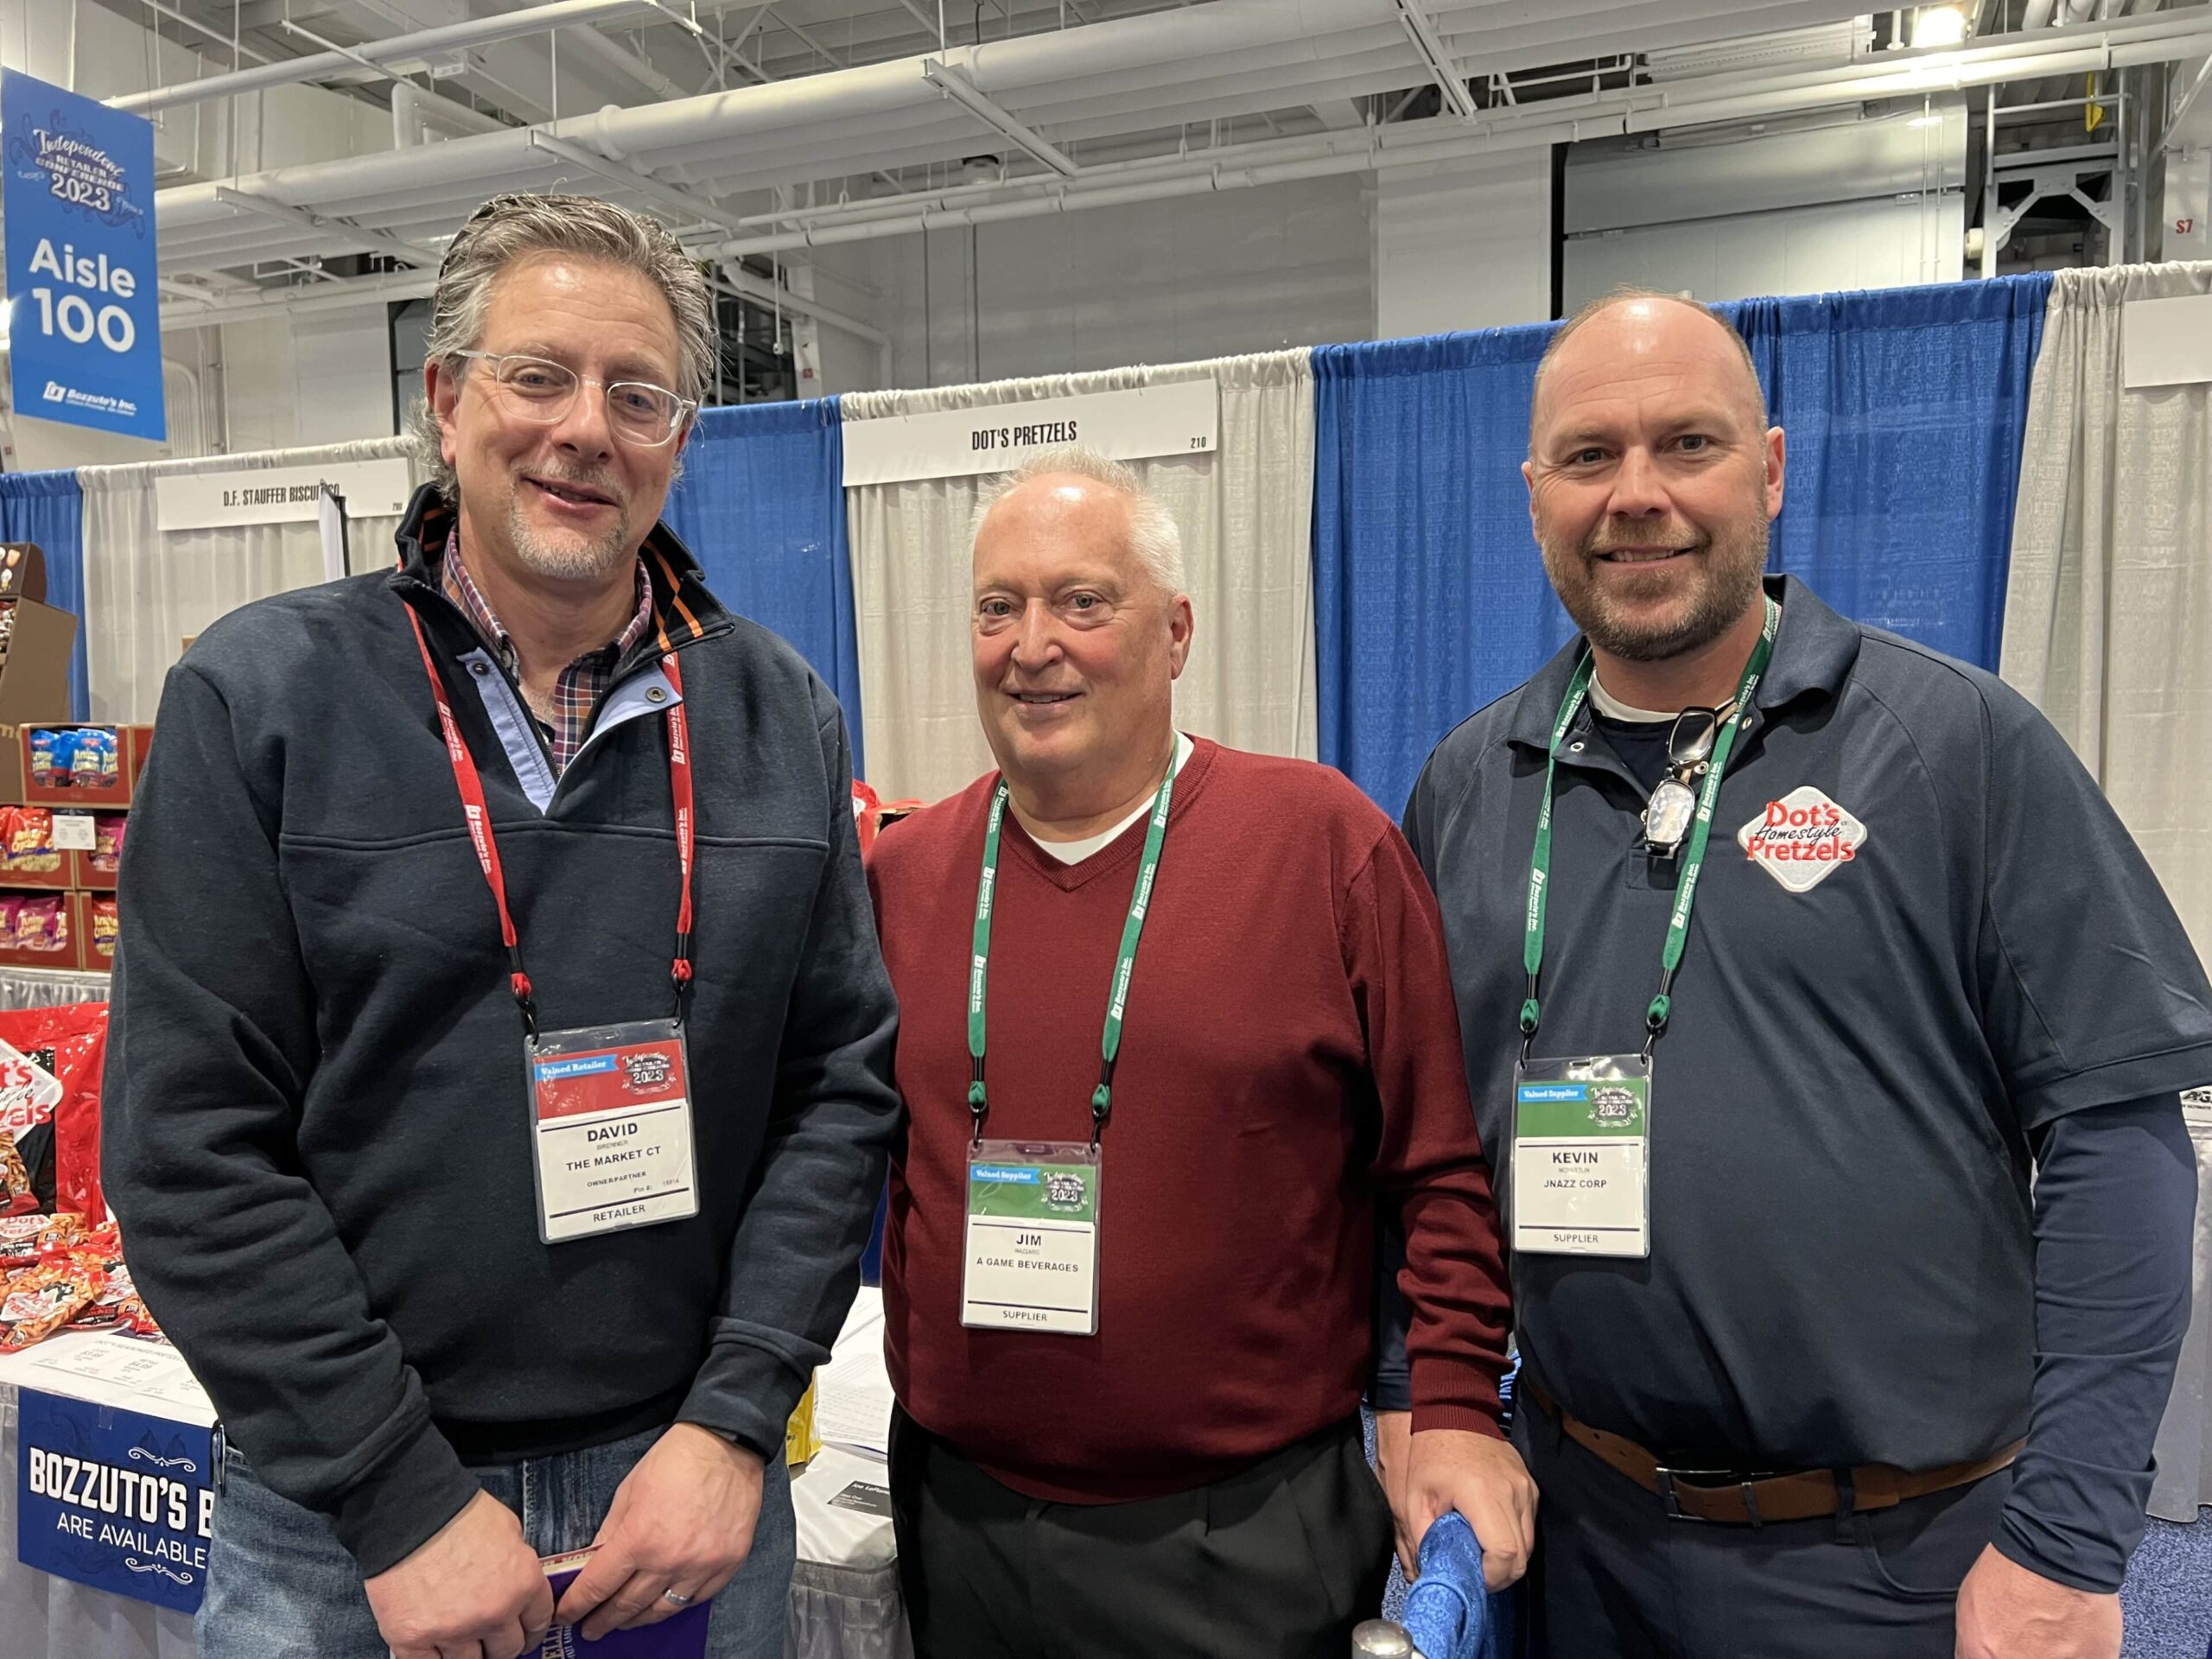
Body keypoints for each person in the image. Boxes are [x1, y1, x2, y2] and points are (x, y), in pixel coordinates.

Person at [105, 194, 900, 1659]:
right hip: (344, 1539)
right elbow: (187, 1146)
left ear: (679, 439)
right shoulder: (261, 699)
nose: (585, 429)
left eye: (637, 394)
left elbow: (837, 1093)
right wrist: (397, 1498)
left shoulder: (777, 715)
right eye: (539, 375)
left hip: (683, 1504)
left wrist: (738, 1419)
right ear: (446, 400)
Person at [1392, 288, 2207, 1659]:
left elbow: (2118, 1148)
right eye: (1589, 456)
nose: (1636, 495)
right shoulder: (1471, 786)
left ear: (1769, 470)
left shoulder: (1954, 745)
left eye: (1687, 444)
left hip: (1898, 1561)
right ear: (1535, 497)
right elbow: (1429, 1161)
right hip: (1580, 1533)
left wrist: (2066, 1544)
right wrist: (1439, 1402)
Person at [865, 448, 1535, 1659]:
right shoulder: (902, 877)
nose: (1031, 647)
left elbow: (1438, 1171)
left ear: (1175, 633)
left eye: (1081, 601)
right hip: (960, 1521)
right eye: (998, 608)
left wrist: (1448, 1401)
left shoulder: (1321, 844)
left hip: (1241, 1538)